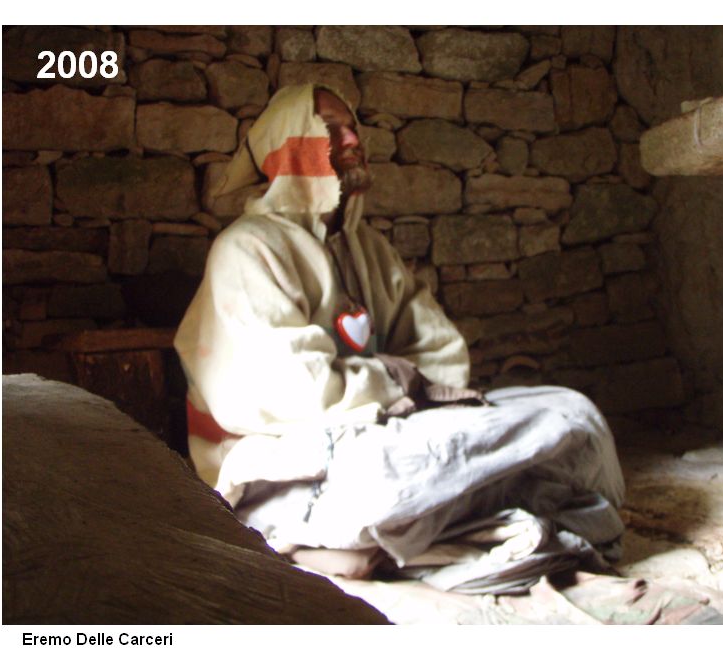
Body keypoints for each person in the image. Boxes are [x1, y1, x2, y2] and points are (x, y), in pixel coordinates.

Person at [174, 83, 625, 592]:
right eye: (330, 127)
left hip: (387, 427)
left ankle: (373, 541)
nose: (351, 138)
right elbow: (294, 390)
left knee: (569, 413)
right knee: (397, 471)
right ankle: (318, 532)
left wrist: (404, 390)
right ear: (288, 143)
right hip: (286, 462)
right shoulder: (247, 249)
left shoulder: (370, 249)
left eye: (352, 126)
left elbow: (440, 352)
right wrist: (395, 378)